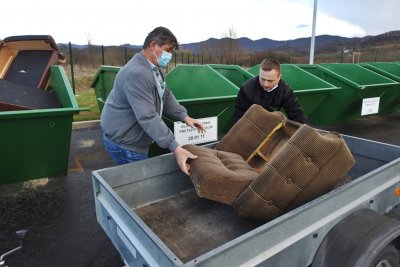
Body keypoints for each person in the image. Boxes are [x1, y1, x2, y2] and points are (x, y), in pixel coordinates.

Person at [100, 26, 206, 175]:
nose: (169, 55)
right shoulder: (137, 73)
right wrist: (175, 147)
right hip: (126, 144)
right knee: (138, 185)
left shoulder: (156, 68)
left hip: (133, 138)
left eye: (171, 52)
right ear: (153, 45)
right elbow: (147, 116)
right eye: (168, 50)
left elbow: (165, 95)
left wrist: (184, 117)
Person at [233, 59, 309, 124]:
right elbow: (239, 117)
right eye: (262, 79)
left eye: (270, 81)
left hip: (272, 126)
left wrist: (305, 132)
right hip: (251, 126)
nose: (265, 84)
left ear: (279, 77)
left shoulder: (285, 91)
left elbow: (297, 114)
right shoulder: (246, 89)